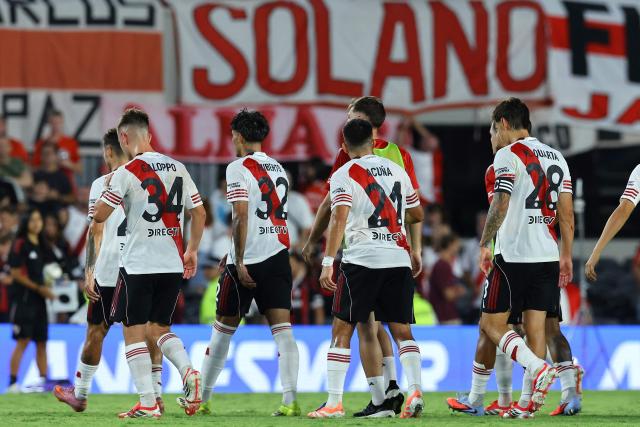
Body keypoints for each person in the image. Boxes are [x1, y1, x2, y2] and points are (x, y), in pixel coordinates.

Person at [447, 98, 571, 417]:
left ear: (503, 124)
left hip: (514, 254)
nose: (492, 139)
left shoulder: (507, 154)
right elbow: (566, 214)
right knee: (535, 329)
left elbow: (500, 203)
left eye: (491, 132)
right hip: (547, 254)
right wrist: (566, 255)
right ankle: (526, 404)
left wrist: (484, 244)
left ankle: (535, 370)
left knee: (491, 324)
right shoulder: (557, 156)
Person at [302, 96, 423, 415]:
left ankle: (334, 402)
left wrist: (327, 261)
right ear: (373, 138)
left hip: (363, 260)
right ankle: (411, 392)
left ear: (344, 141)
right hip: (398, 257)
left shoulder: (344, 171)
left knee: (343, 328)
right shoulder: (397, 167)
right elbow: (418, 213)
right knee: (401, 330)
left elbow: (338, 216)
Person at [92, 109, 206, 419]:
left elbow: (100, 216)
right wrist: (192, 250)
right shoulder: (179, 167)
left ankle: (147, 402)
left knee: (134, 332)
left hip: (140, 263)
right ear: (150, 135)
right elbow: (199, 212)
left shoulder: (127, 172)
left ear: (125, 138)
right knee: (160, 328)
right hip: (171, 263)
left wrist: (107, 191)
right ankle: (188, 372)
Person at [198, 110, 300, 417]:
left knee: (222, 329)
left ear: (239, 136)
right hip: (278, 255)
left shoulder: (237, 168)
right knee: (283, 331)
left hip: (250, 259)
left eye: (232, 136)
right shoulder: (279, 169)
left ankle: (201, 399)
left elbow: (241, 214)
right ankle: (290, 400)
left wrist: (237, 259)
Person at [53, 129, 161, 412]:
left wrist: (89, 271)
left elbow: (95, 229)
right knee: (148, 330)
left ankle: (81, 393)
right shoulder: (148, 181)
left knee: (96, 331)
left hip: (110, 269)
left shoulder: (103, 183)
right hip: (141, 267)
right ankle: (156, 394)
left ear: (109, 152)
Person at [7, 209, 56, 393]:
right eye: (33, 220)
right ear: (26, 221)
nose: (37, 223)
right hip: (24, 300)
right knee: (23, 341)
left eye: (39, 219)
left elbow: (52, 268)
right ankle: (12, 383)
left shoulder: (43, 245)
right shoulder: (20, 243)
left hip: (40, 301)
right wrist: (38, 288)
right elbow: (15, 273)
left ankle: (44, 382)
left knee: (42, 341)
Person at [428, 233, 467, 324]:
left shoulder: (444, 265)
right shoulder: (442, 266)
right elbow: (448, 294)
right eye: (456, 244)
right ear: (450, 245)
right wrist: (460, 290)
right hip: (446, 318)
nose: (458, 247)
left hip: (447, 315)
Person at [32, 109, 81, 175]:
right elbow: (34, 167)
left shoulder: (71, 143)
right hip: (47, 181)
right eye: (53, 123)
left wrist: (68, 164)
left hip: (65, 181)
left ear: (62, 122)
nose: (56, 126)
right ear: (49, 123)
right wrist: (49, 163)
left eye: (58, 123)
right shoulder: (41, 143)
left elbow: (79, 169)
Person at [33, 142, 75, 206]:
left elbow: (72, 198)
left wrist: (58, 196)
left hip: (58, 211)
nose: (46, 156)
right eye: (43, 153)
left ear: (56, 156)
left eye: (49, 153)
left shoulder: (62, 177)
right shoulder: (35, 174)